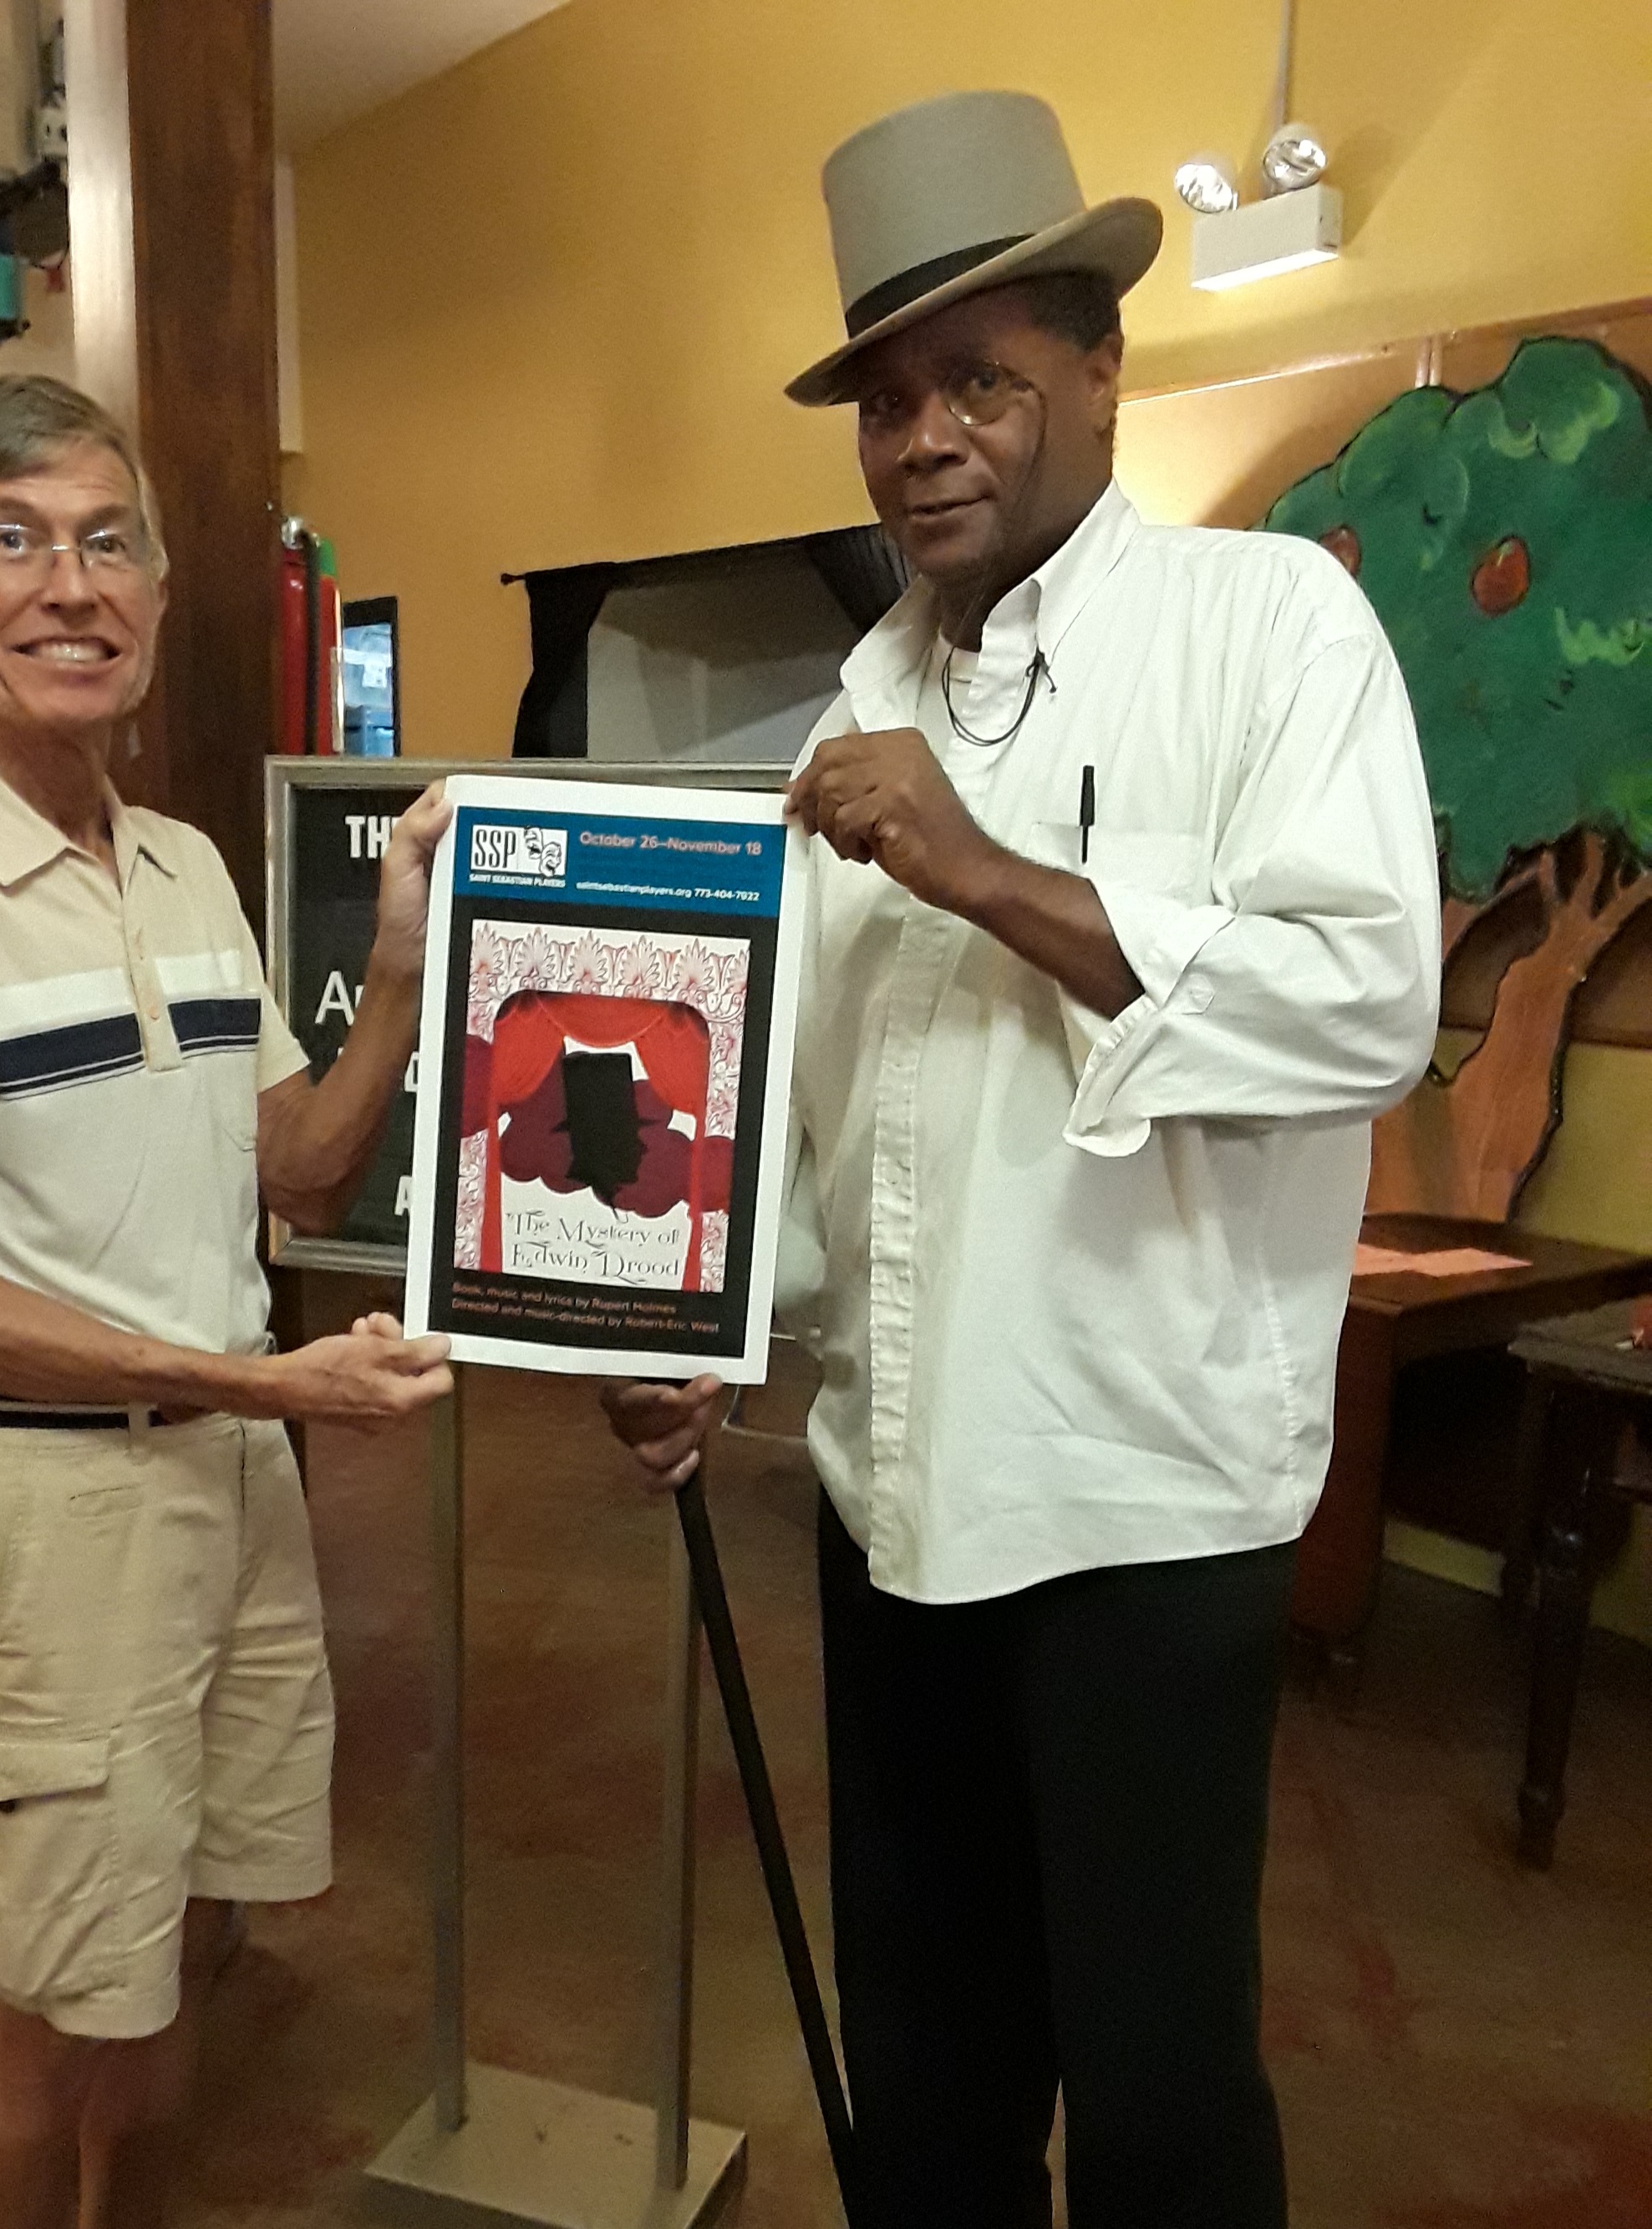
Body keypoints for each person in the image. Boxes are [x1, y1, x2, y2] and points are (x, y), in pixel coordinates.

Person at [602, 91, 1441, 2227]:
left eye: (977, 378)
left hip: (1140, 1507)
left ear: (1102, 367)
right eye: (887, 402)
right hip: (893, 1498)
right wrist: (701, 1319)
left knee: (1158, 2102)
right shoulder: (847, 718)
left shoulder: (1269, 631)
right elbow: (835, 1128)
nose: (926, 440)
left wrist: (980, 866)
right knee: (935, 2086)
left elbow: (1366, 1004)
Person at [0, 374, 454, 2229]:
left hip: (227, 1489)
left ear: (153, 588)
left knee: (176, 1954)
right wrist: (261, 1382)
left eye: (107, 541)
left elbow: (299, 1170)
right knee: (47, 2009)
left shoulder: (186, 866)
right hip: (45, 1516)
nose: (71, 585)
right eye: (14, 541)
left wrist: (395, 976)